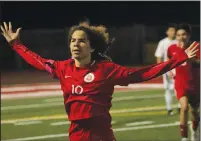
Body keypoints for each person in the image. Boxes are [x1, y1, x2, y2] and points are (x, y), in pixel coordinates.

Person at [1, 22, 199, 141]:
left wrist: (178, 60)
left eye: (81, 40)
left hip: (102, 135)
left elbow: (143, 74)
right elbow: (37, 60)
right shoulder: (62, 68)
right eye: (72, 40)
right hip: (76, 135)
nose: (75, 44)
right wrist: (15, 44)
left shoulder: (107, 70)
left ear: (92, 46)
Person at [167, 23, 200, 141]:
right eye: (178, 35)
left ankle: (195, 131)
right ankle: (184, 138)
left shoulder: (196, 46)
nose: (181, 37)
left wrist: (188, 56)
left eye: (184, 34)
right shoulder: (172, 48)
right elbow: (169, 61)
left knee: (195, 113)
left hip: (195, 85)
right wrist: (169, 71)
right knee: (184, 107)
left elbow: (199, 63)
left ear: (189, 35)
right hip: (181, 84)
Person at [155, 23, 180, 116]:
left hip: (178, 68)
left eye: (174, 30)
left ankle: (180, 106)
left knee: (179, 88)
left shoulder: (178, 41)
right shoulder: (163, 42)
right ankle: (169, 109)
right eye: (170, 30)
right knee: (168, 89)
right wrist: (161, 69)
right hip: (167, 68)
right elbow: (159, 56)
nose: (172, 32)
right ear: (167, 32)